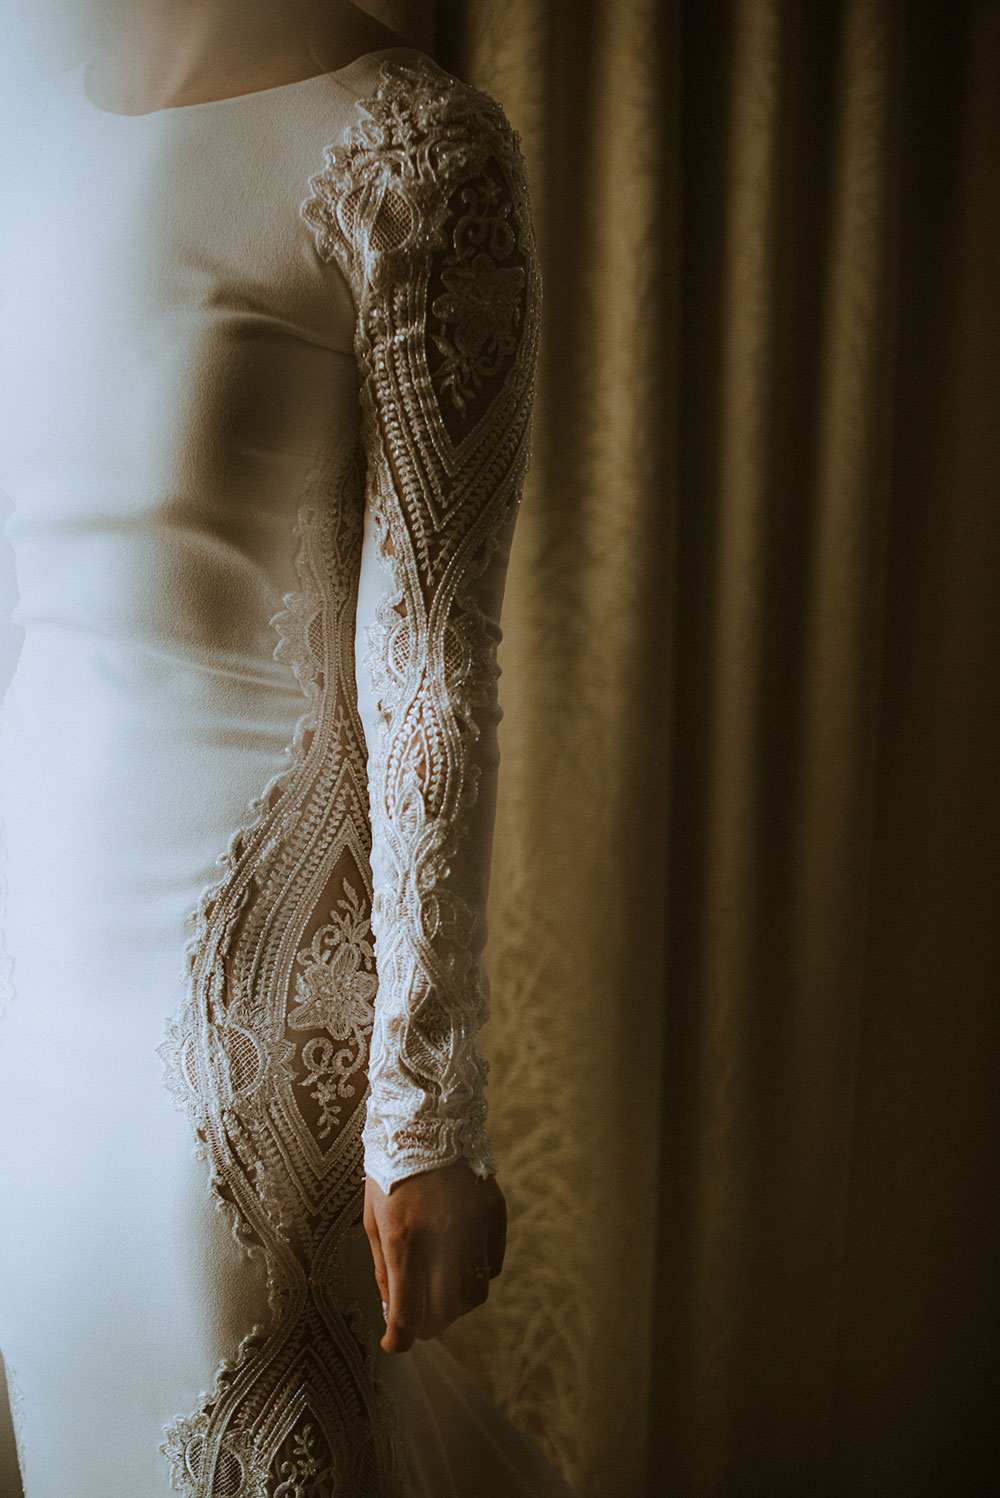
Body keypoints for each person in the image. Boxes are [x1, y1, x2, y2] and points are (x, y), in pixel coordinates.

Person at [0, 1, 572, 1492]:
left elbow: (436, 656)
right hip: (27, 1001)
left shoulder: (405, 147)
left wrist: (427, 1109)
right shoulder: (20, 119)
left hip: (240, 1020)